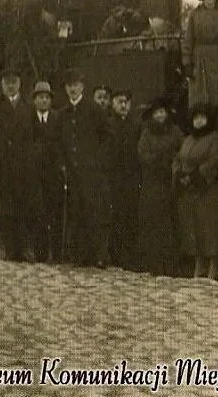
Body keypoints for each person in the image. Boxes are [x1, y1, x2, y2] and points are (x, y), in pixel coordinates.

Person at [57, 68, 115, 268]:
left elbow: (107, 136)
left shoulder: (93, 109)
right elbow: (59, 142)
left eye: (76, 85)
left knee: (95, 212)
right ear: (66, 88)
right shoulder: (63, 114)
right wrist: (64, 164)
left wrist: (97, 160)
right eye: (69, 85)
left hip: (91, 172)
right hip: (72, 172)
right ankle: (81, 255)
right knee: (77, 212)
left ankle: (99, 255)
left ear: (82, 86)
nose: (73, 89)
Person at [0, 68, 37, 261]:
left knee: (22, 208)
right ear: (2, 86)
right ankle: (10, 250)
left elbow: (35, 136)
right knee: (6, 211)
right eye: (7, 82)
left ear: (19, 84)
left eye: (14, 82)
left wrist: (30, 156)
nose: (11, 85)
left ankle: (22, 249)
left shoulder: (28, 108)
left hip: (23, 167)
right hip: (3, 166)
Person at [172, 104, 218, 280]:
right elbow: (178, 158)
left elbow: (214, 161)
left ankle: (213, 266)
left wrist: (194, 177)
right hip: (188, 191)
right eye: (196, 118)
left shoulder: (214, 138)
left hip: (207, 190)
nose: (199, 121)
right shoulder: (188, 139)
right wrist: (179, 174)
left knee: (209, 228)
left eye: (202, 117)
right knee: (193, 228)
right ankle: (198, 264)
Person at [135, 97, 183, 276]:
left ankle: (171, 265)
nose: (159, 116)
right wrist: (157, 161)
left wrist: (174, 164)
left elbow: (182, 151)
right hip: (152, 183)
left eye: (162, 112)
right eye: (156, 113)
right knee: (152, 222)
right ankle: (154, 265)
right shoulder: (147, 133)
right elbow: (143, 155)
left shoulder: (175, 131)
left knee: (170, 223)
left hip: (170, 182)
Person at [28, 80, 62, 263]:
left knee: (54, 214)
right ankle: (39, 252)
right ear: (34, 101)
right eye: (40, 98)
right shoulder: (28, 118)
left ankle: (56, 253)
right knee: (37, 213)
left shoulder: (57, 118)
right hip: (34, 173)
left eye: (46, 98)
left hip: (52, 173)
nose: (43, 101)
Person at [109, 89, 142, 270]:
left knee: (130, 217)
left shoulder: (136, 125)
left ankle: (129, 257)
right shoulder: (108, 125)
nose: (123, 105)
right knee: (115, 217)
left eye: (126, 102)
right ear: (113, 103)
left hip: (131, 178)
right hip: (113, 178)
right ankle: (115, 255)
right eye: (120, 102)